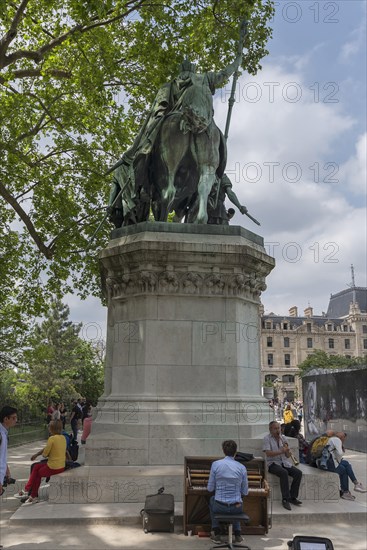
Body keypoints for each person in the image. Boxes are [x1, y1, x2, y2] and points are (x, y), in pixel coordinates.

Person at [108, 54, 243, 227]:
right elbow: (226, 72)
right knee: (210, 167)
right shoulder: (205, 78)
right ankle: (202, 208)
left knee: (146, 147)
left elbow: (158, 111)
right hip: (206, 127)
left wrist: (146, 137)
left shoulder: (168, 85)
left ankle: (157, 183)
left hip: (172, 129)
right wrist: (238, 57)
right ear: (193, 70)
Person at [14, 420, 66, 505]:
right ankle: (32, 495)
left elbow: (45, 454)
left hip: (53, 467)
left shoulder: (52, 438)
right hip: (61, 466)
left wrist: (47, 453)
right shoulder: (63, 438)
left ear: (52, 428)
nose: (48, 428)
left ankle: (28, 491)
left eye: (49, 427)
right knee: (36, 468)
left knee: (36, 470)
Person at [207, 439, 248, 544]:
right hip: (237, 508)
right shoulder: (242, 467)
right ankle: (238, 534)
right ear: (235, 451)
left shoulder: (216, 465)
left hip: (220, 506)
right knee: (238, 500)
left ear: (223, 450)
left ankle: (216, 533)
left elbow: (210, 489)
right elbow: (245, 492)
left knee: (212, 499)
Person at [263, 421, 302, 510]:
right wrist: (281, 451)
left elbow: (287, 456)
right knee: (283, 473)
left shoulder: (283, 438)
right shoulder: (267, 439)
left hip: (284, 462)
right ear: (270, 429)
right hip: (272, 463)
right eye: (275, 428)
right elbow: (268, 453)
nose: (278, 431)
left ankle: (293, 497)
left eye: (279, 428)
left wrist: (288, 451)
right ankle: (285, 499)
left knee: (298, 473)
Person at [325, 432, 366, 500]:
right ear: (342, 437)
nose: (344, 440)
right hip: (329, 465)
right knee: (343, 469)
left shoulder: (331, 439)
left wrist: (339, 460)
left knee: (345, 464)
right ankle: (348, 490)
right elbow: (340, 453)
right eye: (344, 438)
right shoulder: (336, 440)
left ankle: (353, 486)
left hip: (326, 463)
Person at [0, 406, 18, 497]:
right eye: (13, 418)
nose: (16, 420)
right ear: (5, 419)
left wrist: (6, 470)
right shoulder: (1, 435)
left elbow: (2, 456)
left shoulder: (4, 433)